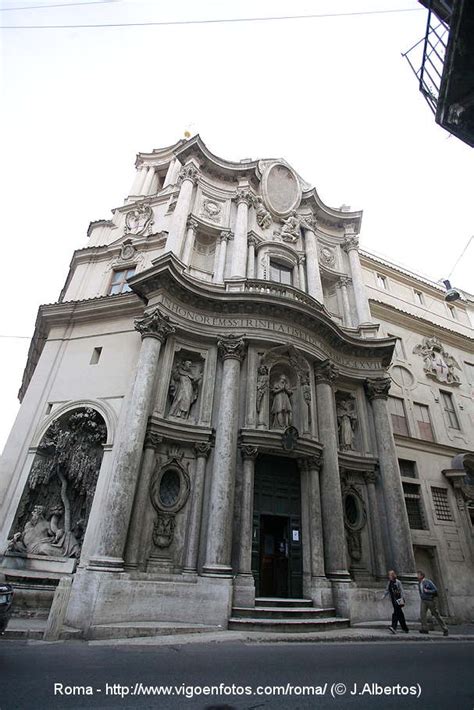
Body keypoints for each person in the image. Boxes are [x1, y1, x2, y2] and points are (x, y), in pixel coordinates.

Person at [417, 570, 448, 636]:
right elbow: (421, 591)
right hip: (424, 600)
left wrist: (428, 591)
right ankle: (424, 628)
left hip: (430, 600)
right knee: (422, 614)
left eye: (418, 575)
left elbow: (435, 590)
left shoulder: (428, 582)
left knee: (436, 614)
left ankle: (445, 629)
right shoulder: (419, 583)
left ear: (422, 576)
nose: (417, 576)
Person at [382, 569, 409, 634]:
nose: (389, 576)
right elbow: (387, 590)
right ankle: (405, 628)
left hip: (399, 600)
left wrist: (403, 598)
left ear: (393, 575)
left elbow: (401, 590)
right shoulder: (389, 582)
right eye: (389, 575)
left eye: (390, 575)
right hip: (393, 600)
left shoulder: (398, 582)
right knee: (400, 614)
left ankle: (393, 627)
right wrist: (384, 595)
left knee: (395, 613)